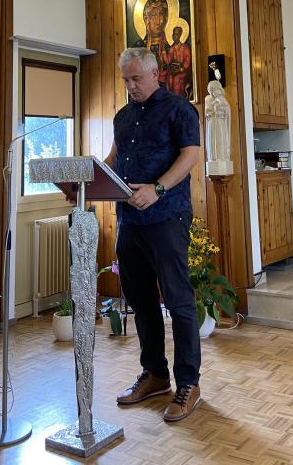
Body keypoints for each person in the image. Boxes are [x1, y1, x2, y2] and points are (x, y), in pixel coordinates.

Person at [104, 47, 202, 422]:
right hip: (129, 221)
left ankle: (188, 383)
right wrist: (86, 180)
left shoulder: (179, 109)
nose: (131, 86)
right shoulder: (122, 117)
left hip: (167, 216)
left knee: (178, 301)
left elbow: (190, 155)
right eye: (125, 80)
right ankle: (156, 375)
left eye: (136, 78)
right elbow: (113, 160)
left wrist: (157, 189)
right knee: (141, 302)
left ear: (155, 74)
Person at [133, 0, 170, 85]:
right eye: (153, 15)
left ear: (166, 18)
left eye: (161, 14)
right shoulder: (137, 48)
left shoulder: (170, 48)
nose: (158, 21)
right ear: (146, 19)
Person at [165, 26, 192, 98]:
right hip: (174, 70)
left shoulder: (185, 48)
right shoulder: (172, 49)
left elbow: (187, 61)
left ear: (180, 35)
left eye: (177, 34)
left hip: (183, 71)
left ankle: (178, 98)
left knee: (177, 79)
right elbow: (168, 61)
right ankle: (171, 98)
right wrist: (164, 53)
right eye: (174, 34)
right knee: (169, 78)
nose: (175, 36)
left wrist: (181, 69)